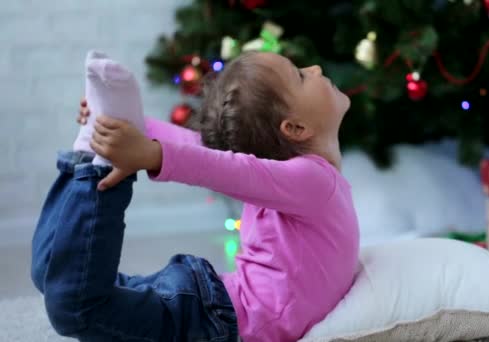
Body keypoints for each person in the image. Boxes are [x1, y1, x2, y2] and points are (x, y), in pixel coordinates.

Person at [32, 50, 359, 342]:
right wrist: (144, 146)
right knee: (76, 307)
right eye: (301, 75)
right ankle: (95, 167)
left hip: (208, 303)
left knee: (62, 280)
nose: (315, 68)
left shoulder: (302, 180)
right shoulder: (309, 178)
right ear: (296, 128)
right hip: (214, 318)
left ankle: (85, 156)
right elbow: (218, 161)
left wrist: (137, 135)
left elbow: (220, 162)